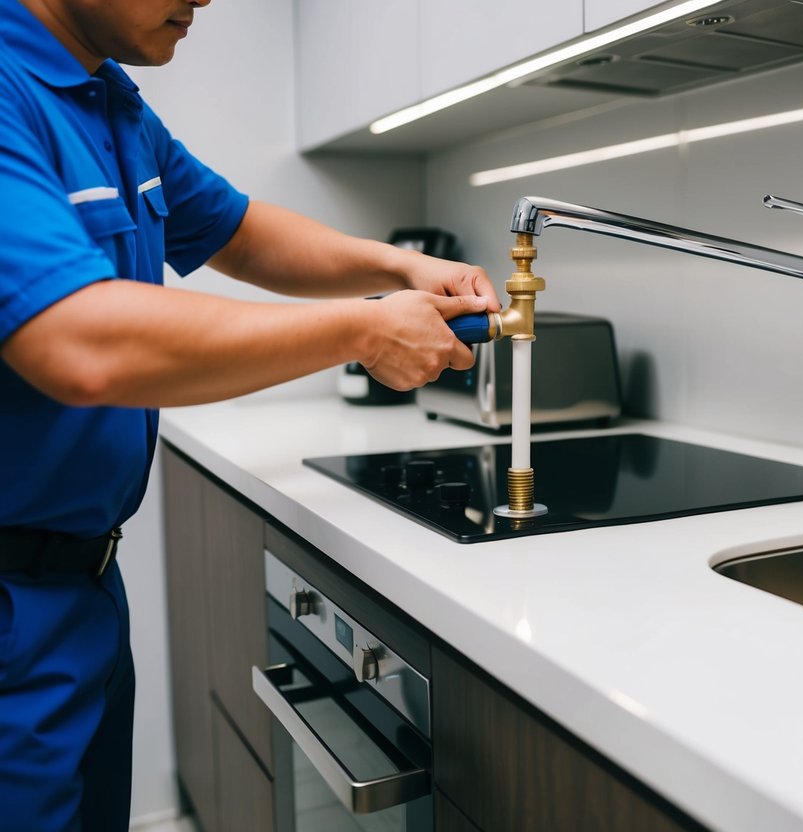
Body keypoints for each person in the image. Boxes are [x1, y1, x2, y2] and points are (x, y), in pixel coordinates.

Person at [0, 0, 501, 828]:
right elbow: (75, 341)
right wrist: (363, 327)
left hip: (82, 588)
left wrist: (403, 269)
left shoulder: (107, 93)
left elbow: (237, 232)